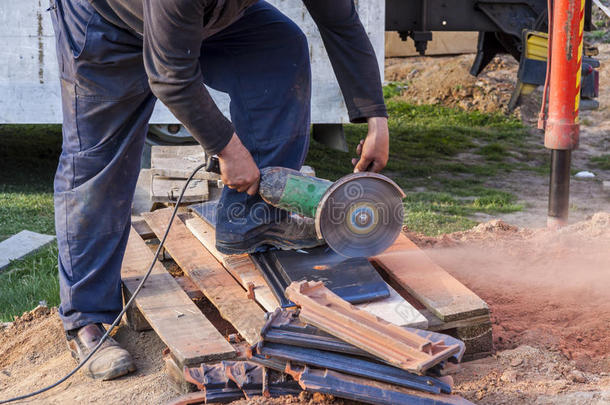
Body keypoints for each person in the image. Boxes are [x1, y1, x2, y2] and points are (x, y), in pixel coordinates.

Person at [49, 0, 389, 380]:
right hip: (106, 24)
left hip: (199, 18)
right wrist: (229, 150)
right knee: (99, 166)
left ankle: (250, 218)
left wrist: (376, 117)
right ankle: (88, 320)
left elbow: (340, 22)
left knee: (278, 46)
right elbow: (170, 77)